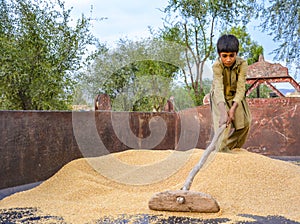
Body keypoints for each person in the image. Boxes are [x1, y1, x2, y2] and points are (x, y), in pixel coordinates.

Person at [210, 34, 251, 152]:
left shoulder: (242, 64)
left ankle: (229, 149)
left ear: (236, 54)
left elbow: (241, 87)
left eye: (231, 56)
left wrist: (232, 109)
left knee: (245, 123)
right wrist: (224, 112)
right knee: (223, 126)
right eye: (224, 56)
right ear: (219, 55)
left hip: (235, 97)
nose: (228, 59)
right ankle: (221, 153)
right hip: (219, 98)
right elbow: (218, 88)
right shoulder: (216, 66)